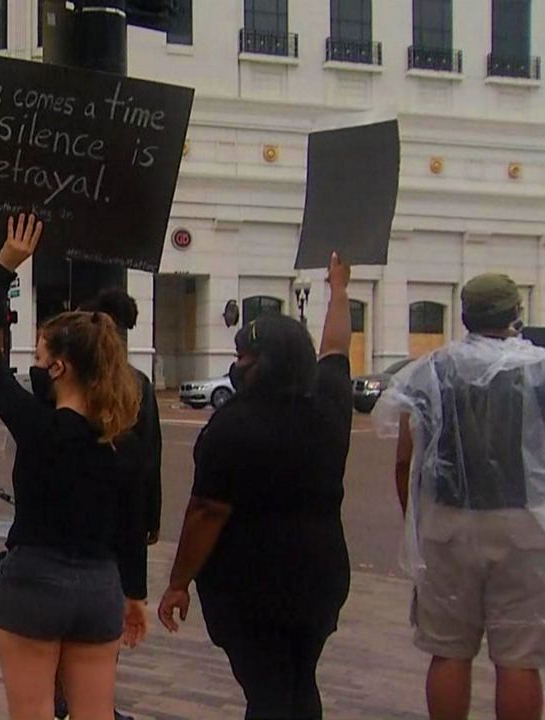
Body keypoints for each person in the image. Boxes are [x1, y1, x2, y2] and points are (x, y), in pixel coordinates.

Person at [374, 273, 545, 720]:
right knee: (519, 657)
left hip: (447, 523)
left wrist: (417, 521)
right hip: (524, 523)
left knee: (449, 651)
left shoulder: (430, 370)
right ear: (515, 314)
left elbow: (405, 459)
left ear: (464, 315)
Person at [157, 254, 353, 719]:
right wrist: (339, 290)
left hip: (250, 583)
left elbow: (207, 512)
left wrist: (178, 583)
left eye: (244, 356)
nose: (236, 364)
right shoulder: (328, 405)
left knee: (266, 689)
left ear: (262, 364)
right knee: (298, 679)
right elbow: (336, 348)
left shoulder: (234, 425)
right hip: (321, 575)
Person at [0, 214, 149, 720]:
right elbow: (131, 528)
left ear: (60, 368)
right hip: (99, 585)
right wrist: (133, 594)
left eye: (41, 355)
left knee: (31, 711)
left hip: (34, 580)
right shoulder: (124, 441)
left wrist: (4, 267)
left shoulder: (38, 425)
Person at [55, 288, 163, 720]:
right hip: (118, 520)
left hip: (66, 518)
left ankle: (63, 697)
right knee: (105, 617)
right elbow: (149, 459)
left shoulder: (69, 378)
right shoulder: (137, 384)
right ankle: (95, 702)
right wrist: (149, 518)